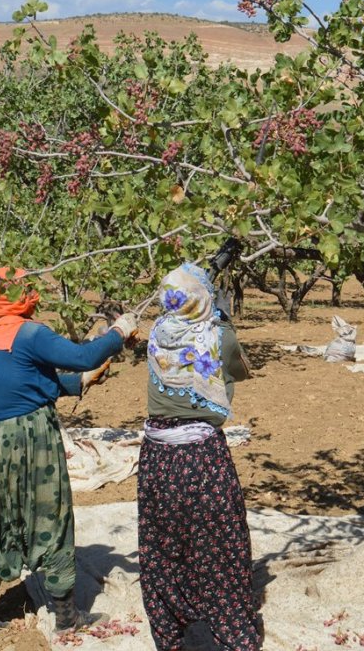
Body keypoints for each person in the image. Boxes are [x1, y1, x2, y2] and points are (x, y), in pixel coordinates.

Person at [0, 266, 138, 640]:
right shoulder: (28, 333)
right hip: (31, 439)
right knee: (50, 517)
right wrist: (118, 332)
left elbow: (23, 381)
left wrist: (80, 383)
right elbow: (83, 356)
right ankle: (67, 615)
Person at [139, 262, 259, 651]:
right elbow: (239, 371)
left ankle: (170, 635)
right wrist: (220, 314)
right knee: (220, 549)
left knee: (163, 547)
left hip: (157, 458)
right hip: (200, 459)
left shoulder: (158, 332)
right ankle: (234, 634)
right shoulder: (219, 335)